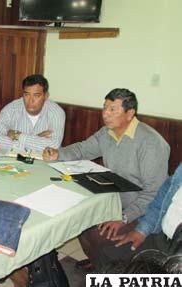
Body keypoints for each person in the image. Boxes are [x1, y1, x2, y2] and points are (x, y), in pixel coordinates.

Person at [43, 88, 170, 270]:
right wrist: (58, 153)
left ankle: (109, 268)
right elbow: (82, 149)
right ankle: (98, 263)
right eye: (104, 108)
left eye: (112, 110)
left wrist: (124, 218)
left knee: (102, 239)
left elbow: (154, 193)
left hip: (142, 211)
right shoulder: (107, 133)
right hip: (114, 201)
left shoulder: (151, 143)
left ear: (130, 113)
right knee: (81, 221)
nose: (105, 114)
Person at [95, 163, 182, 272]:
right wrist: (142, 231)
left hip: (177, 254)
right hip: (163, 237)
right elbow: (164, 196)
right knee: (107, 253)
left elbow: (149, 194)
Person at [0, 74, 65, 154]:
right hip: (14, 161)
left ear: (46, 96)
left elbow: (53, 146)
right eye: (27, 95)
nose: (30, 100)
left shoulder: (56, 112)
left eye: (36, 96)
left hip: (43, 162)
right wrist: (37, 138)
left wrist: (17, 135)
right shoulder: (11, 109)